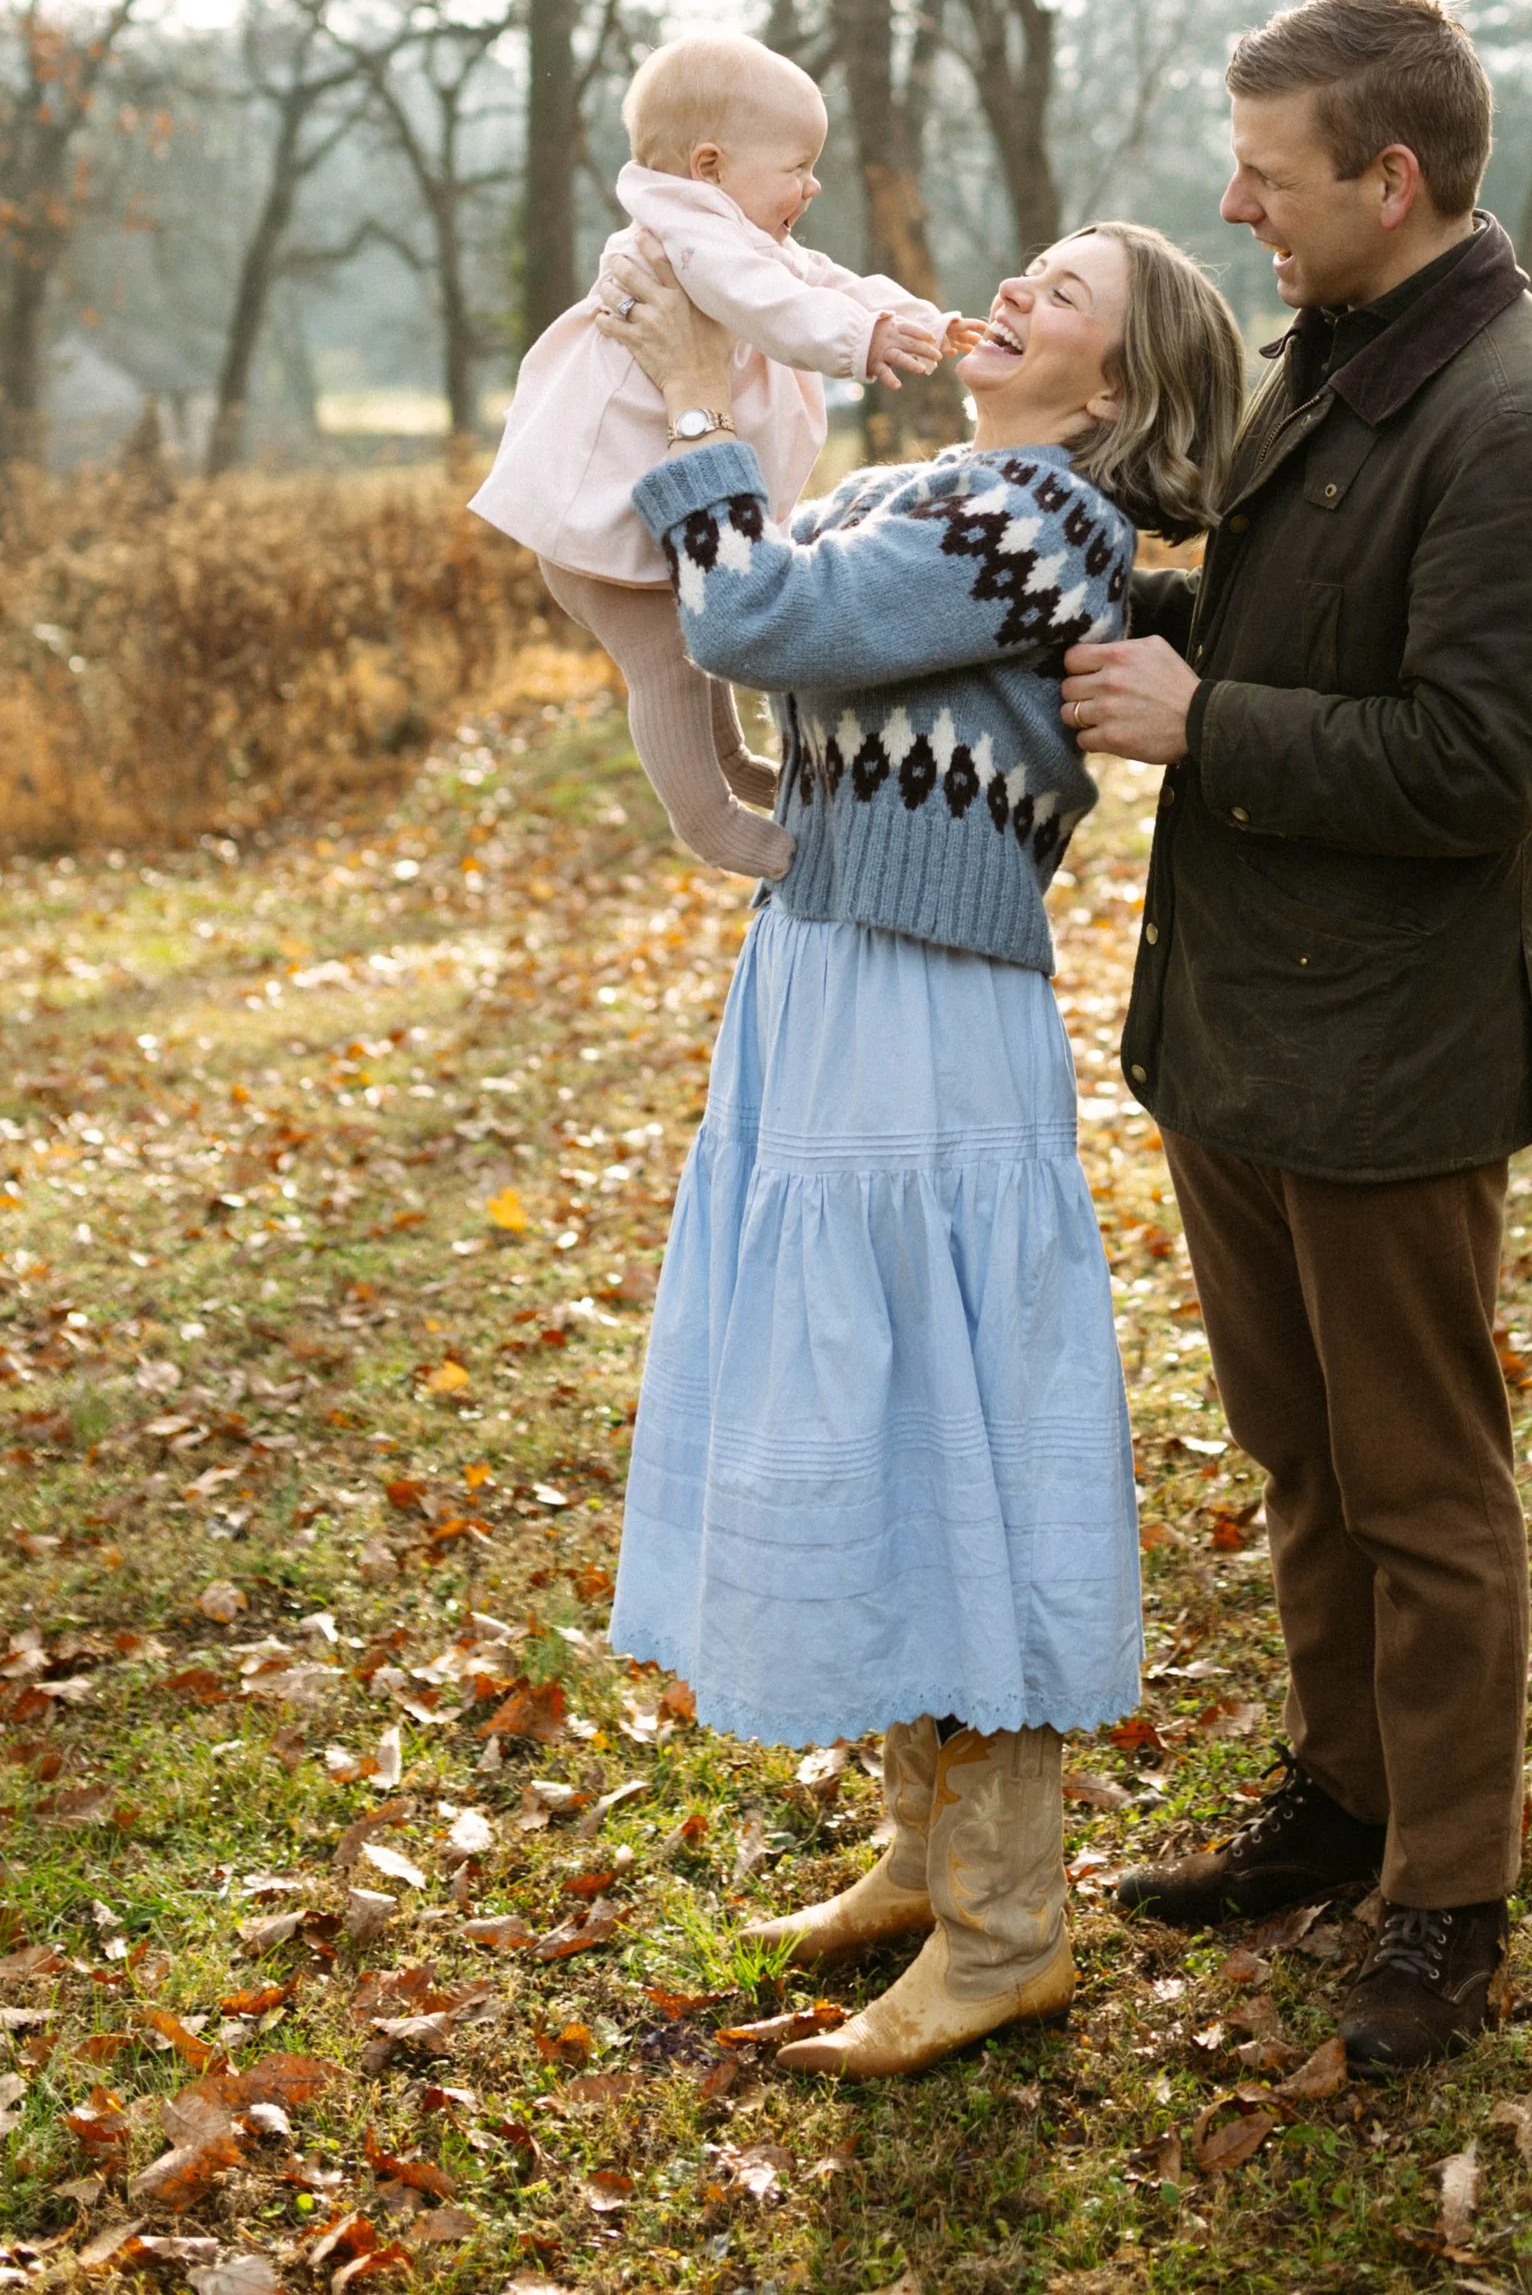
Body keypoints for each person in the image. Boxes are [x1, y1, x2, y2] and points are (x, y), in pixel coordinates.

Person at [1059, 0, 1532, 2073]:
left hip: (1389, 1055)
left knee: (1417, 1482)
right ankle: (1338, 1794)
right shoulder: (1339, 351)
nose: (1232, 208)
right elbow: (1285, 621)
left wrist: (1205, 723)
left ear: (1389, 181)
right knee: (1296, 1450)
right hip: (1237, 1022)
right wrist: (1121, 616)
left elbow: (1471, 762)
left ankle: (1444, 1901)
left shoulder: (1522, 423)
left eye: (1267, 173)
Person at [596, 218, 1247, 2079]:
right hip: (827, 977)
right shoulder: (943, 483)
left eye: (1065, 295)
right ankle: (920, 1850)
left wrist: (700, 403)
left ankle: (1009, 1931)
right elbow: (762, 586)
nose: (1014, 292)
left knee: (939, 1418)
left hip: (928, 1011)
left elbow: (758, 618)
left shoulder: (1047, 522)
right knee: (869, 1401)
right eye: (1024, 268)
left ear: (1110, 385)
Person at [469, 31, 962, 879]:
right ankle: (708, 822)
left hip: (629, 519)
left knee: (696, 646)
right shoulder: (686, 242)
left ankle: (732, 765)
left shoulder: (726, 233)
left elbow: (819, 278)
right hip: (595, 530)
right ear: (709, 166)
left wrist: (907, 315)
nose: (812, 186)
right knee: (664, 663)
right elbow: (777, 304)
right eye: (798, 166)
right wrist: (860, 340)